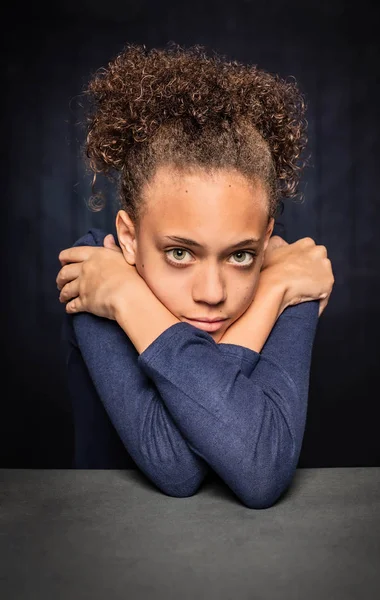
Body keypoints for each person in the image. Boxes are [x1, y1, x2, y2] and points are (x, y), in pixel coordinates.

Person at [56, 43, 334, 509]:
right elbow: (176, 466)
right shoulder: (96, 275)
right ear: (127, 236)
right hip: (105, 555)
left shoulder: (288, 274)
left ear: (266, 241)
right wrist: (125, 296)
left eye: (240, 256)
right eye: (180, 252)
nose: (212, 293)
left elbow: (258, 469)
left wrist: (276, 288)